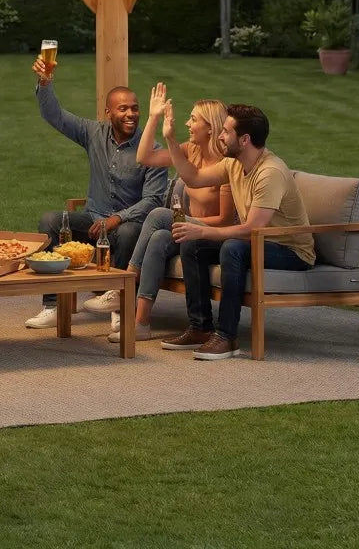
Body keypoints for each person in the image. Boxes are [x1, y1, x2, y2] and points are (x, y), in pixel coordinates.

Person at [152, 86, 315, 360]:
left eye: (226, 131)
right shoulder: (235, 164)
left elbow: (253, 229)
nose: (220, 135)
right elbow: (192, 177)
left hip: (289, 249)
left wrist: (202, 229)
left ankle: (226, 336)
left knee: (233, 248)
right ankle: (200, 327)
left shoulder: (270, 172)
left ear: (245, 139)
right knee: (193, 245)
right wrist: (169, 138)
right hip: (260, 241)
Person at [24, 55, 168, 330]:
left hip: (131, 225)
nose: (131, 114)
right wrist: (45, 81)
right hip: (94, 220)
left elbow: (153, 200)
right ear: (108, 112)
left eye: (135, 109)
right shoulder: (93, 133)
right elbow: (54, 115)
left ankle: (120, 305)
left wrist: (118, 218)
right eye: (123, 108)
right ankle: (53, 306)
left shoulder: (153, 149)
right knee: (50, 221)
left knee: (126, 233)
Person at [105, 96, 235, 342]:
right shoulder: (191, 150)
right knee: (159, 237)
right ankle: (141, 323)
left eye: (193, 119)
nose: (187, 123)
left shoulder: (226, 166)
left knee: (158, 215)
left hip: (213, 237)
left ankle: (125, 284)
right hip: (188, 233)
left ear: (210, 128)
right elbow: (144, 157)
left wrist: (187, 223)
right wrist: (154, 118)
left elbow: (226, 221)